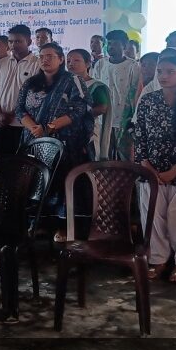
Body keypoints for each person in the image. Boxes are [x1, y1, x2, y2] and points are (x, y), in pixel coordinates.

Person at [132, 56, 176, 283]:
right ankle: (158, 260)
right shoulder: (148, 100)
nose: (163, 76)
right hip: (151, 169)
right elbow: (139, 133)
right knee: (153, 217)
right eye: (160, 71)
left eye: (170, 71)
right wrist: (145, 164)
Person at [17, 42, 88, 216]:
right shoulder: (31, 83)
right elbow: (19, 110)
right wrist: (35, 129)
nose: (44, 60)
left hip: (63, 144)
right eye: (41, 57)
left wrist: (48, 129)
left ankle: (61, 223)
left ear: (61, 59)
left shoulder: (72, 81)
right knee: (33, 184)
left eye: (50, 56)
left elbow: (80, 109)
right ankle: (35, 220)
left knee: (61, 184)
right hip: (33, 141)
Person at [0, 25, 40, 158]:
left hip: (24, 124)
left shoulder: (37, 64)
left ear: (29, 42)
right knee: (2, 161)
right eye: (11, 41)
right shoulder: (2, 63)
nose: (13, 45)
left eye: (18, 41)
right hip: (1, 121)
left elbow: (36, 96)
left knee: (22, 162)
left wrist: (15, 113)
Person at [94, 30, 141, 160]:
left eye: (115, 44)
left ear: (124, 46)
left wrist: (133, 117)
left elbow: (135, 92)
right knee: (104, 153)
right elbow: (95, 89)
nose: (111, 47)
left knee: (124, 155)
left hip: (124, 118)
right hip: (103, 117)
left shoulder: (133, 66)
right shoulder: (101, 64)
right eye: (109, 44)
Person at [67, 48, 110, 160]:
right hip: (67, 131)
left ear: (88, 64)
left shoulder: (96, 86)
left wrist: (77, 115)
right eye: (68, 61)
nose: (71, 64)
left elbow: (102, 108)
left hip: (88, 131)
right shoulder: (64, 85)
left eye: (76, 60)